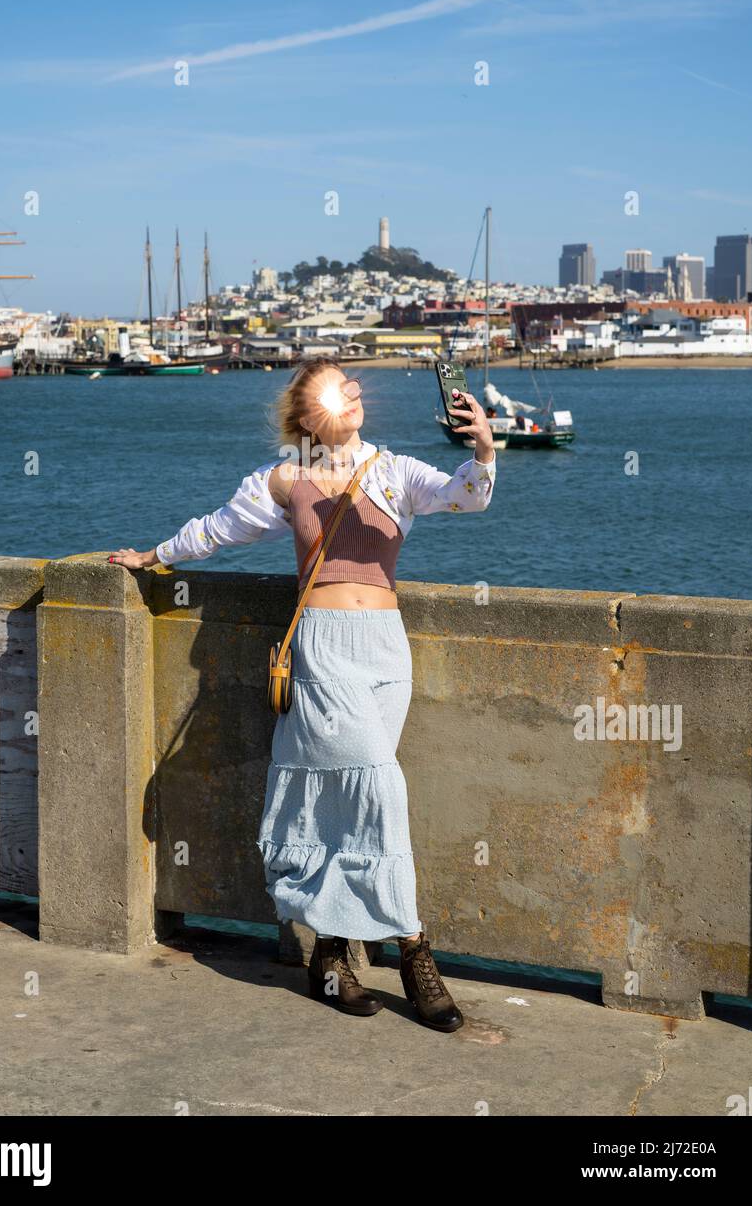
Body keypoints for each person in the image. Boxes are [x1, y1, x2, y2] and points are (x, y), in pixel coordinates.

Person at [109, 359, 497, 1032]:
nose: (351, 392)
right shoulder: (287, 480)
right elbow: (218, 529)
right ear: (306, 412)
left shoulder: (394, 471)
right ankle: (413, 948)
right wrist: (151, 555)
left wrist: (484, 447)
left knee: (345, 802)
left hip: (384, 652)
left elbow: (466, 496)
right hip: (322, 649)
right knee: (381, 788)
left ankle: (332, 955)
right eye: (335, 388)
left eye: (351, 385)